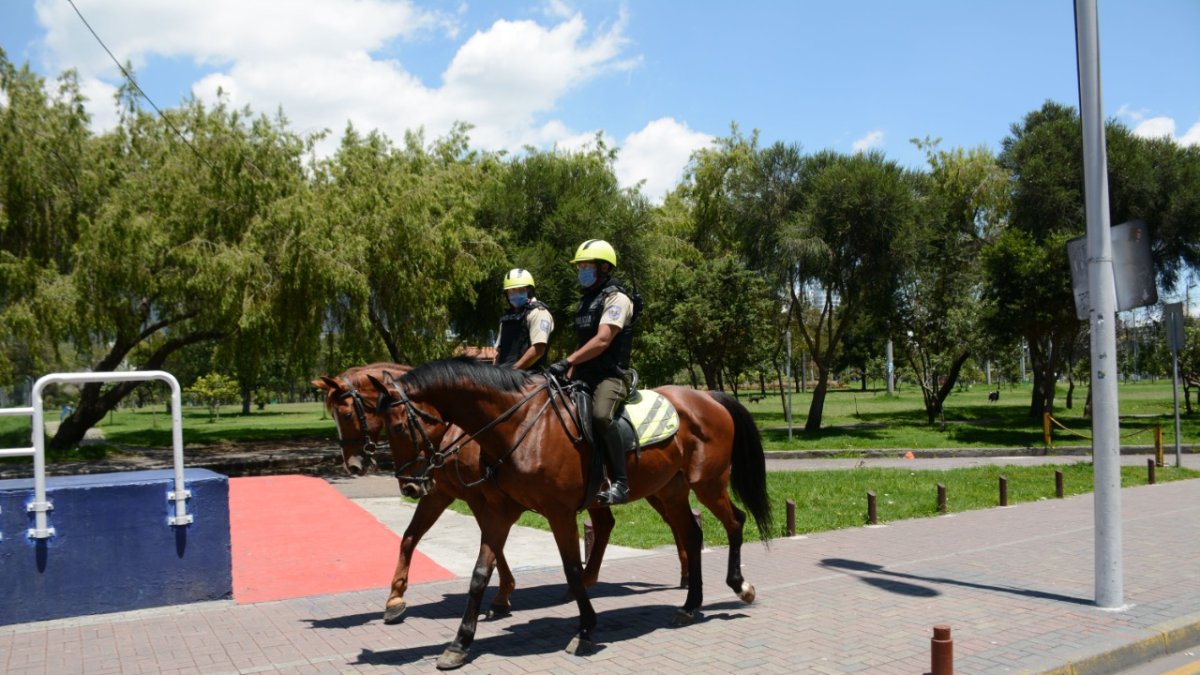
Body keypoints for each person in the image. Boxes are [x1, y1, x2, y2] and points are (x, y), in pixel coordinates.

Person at [547, 239, 638, 505]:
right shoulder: (586, 301)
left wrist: (566, 360)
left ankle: (621, 483)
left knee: (600, 416)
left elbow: (602, 340)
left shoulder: (617, 299)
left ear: (604, 267)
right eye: (580, 266)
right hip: (585, 375)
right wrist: (569, 371)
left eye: (586, 266)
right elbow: (583, 343)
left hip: (611, 376)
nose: (581, 271)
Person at [494, 268, 554, 370]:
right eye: (511, 291)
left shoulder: (538, 313)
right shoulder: (506, 319)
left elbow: (538, 349)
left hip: (530, 378)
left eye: (521, 290)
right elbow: (498, 352)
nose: (515, 294)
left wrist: (512, 372)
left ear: (529, 291)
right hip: (505, 378)